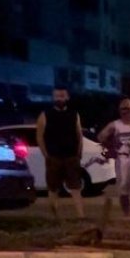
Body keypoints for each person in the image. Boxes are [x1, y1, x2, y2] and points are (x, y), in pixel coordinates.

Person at [35, 87, 85, 219]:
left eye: (62, 96)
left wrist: (78, 153)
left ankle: (80, 216)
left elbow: (79, 135)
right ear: (53, 98)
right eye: (57, 96)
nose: (59, 99)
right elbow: (39, 136)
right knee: (53, 188)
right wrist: (46, 154)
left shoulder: (74, 114)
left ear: (67, 97)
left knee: (75, 187)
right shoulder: (45, 114)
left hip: (71, 157)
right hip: (54, 157)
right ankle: (55, 217)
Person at [98, 98, 130, 219]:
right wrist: (111, 145)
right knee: (124, 188)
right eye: (122, 109)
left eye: (127, 109)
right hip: (123, 160)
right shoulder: (115, 125)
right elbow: (101, 136)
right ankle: (126, 214)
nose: (125, 112)